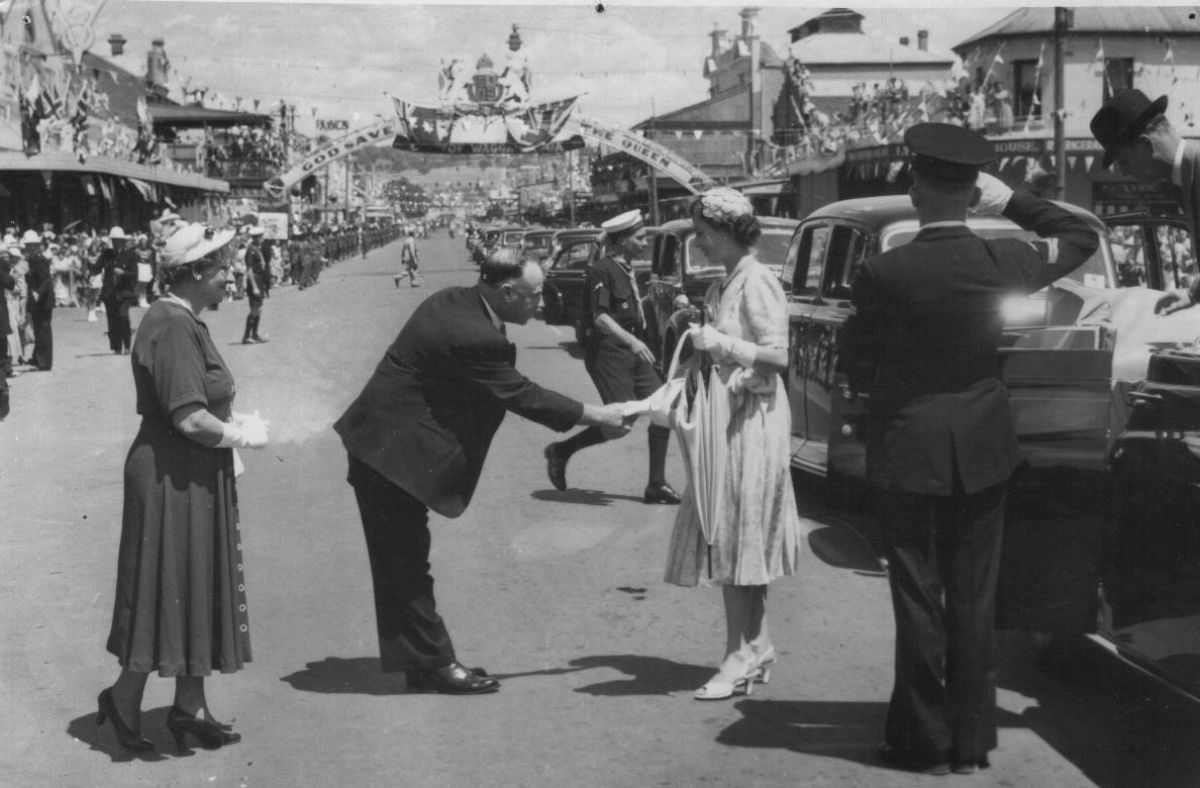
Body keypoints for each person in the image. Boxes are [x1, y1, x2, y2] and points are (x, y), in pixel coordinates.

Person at [840, 123, 1099, 776]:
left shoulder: (880, 272)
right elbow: (1081, 237)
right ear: (971, 192)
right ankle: (969, 740)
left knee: (918, 601)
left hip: (908, 448)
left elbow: (858, 361)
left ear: (918, 190)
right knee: (975, 600)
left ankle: (922, 741)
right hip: (983, 446)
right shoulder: (1004, 262)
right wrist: (1010, 199)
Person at [334, 248, 631, 695]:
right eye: (534, 295)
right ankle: (436, 665)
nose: (542, 303)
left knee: (403, 561)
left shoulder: (457, 299)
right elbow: (521, 395)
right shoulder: (475, 333)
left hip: (384, 447)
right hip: (389, 458)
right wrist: (600, 415)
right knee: (406, 563)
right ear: (507, 291)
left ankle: (420, 663)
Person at [99, 222, 269, 754]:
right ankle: (124, 696)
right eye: (223, 268)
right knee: (166, 585)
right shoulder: (171, 324)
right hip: (173, 473)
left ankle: (188, 706)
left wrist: (234, 420)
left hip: (193, 471)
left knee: (195, 581)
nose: (232, 276)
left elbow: (202, 398)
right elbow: (190, 417)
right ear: (196, 271)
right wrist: (242, 433)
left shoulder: (184, 318)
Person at [658, 188, 806, 700]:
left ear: (723, 231)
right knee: (740, 536)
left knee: (733, 533)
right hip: (731, 417)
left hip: (753, 421)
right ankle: (758, 644)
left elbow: (779, 357)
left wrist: (724, 345)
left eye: (700, 233)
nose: (696, 243)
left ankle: (737, 655)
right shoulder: (725, 283)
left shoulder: (759, 280)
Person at [543, 210, 682, 505]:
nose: (645, 243)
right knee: (620, 424)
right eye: (640, 238)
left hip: (633, 350)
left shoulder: (626, 269)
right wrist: (632, 341)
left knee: (663, 407)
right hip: (608, 353)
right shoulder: (601, 271)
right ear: (621, 241)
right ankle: (561, 451)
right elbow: (600, 318)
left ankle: (656, 484)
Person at [1090, 89, 1200, 315]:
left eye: (1123, 160)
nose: (1123, 172)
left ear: (1145, 144)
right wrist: (1193, 294)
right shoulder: (1188, 175)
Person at [94, 227, 137, 354]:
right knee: (112, 319)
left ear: (123, 241)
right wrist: (91, 273)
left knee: (123, 316)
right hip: (110, 293)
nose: (116, 243)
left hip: (124, 292)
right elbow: (97, 267)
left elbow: (134, 274)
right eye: (114, 240)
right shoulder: (107, 253)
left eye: (118, 240)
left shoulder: (131, 254)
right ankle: (117, 347)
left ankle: (127, 345)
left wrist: (123, 272)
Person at [22, 230, 54, 371]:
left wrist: (38, 293)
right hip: (39, 300)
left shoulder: (38, 259)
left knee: (43, 330)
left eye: (29, 245)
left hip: (43, 300)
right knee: (38, 329)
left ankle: (45, 362)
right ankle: (38, 357)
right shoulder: (33, 259)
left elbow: (46, 279)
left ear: (34, 245)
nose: (26, 248)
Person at [241, 227, 269, 344]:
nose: (262, 238)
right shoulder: (250, 250)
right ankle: (247, 336)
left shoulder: (256, 248)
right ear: (256, 237)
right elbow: (249, 270)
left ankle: (255, 334)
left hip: (260, 279)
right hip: (255, 280)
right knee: (254, 309)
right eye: (261, 236)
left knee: (259, 309)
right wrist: (254, 286)